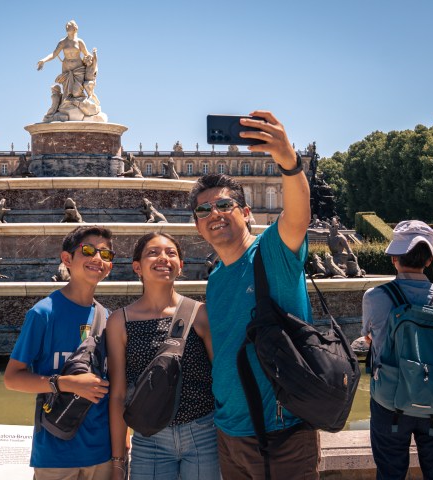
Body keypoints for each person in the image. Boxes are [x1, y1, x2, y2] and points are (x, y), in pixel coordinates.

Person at [189, 110, 319, 479]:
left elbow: (297, 216)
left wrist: (289, 162)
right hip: (230, 432)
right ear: (198, 227)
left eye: (225, 204)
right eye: (204, 209)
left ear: (246, 213)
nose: (215, 213)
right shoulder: (215, 278)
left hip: (284, 432)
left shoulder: (271, 253)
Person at [4, 225, 115, 479]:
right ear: (67, 259)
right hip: (56, 454)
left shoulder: (108, 318)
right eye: (88, 250)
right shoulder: (44, 313)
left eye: (106, 254)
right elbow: (12, 378)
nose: (98, 258)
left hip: (102, 453)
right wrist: (65, 383)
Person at [106, 233, 217, 479]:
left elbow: (221, 378)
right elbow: (118, 395)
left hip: (203, 434)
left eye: (171, 253)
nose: (163, 258)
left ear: (181, 266)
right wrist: (118, 459)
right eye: (153, 253)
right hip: (150, 439)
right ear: (137, 267)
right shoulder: (120, 321)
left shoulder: (200, 313)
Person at [361, 220, 433, 479]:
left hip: (390, 402)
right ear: (429, 261)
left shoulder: (374, 296)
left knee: (390, 473)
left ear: (394, 258)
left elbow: (369, 339)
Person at [37, 20, 92, 100]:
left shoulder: (79, 41)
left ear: (74, 28)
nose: (67, 27)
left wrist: (92, 58)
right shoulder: (63, 42)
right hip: (66, 69)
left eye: (69, 26)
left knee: (76, 92)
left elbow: (86, 53)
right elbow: (54, 54)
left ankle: (80, 104)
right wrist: (43, 60)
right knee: (67, 94)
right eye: (66, 26)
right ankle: (67, 107)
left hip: (78, 69)